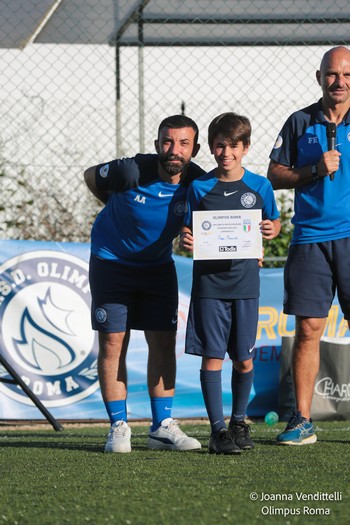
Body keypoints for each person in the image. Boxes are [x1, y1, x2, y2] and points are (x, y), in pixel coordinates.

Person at [84, 115, 204, 453]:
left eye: (183, 143)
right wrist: (113, 204)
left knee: (164, 343)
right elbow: (91, 177)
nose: (174, 150)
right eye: (167, 141)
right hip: (112, 263)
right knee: (113, 344)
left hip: (157, 267)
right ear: (156, 145)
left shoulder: (198, 183)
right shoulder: (130, 171)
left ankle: (161, 426)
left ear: (194, 149)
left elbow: (206, 222)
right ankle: (118, 426)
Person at [180, 112, 280, 454]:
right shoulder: (199, 187)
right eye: (220, 145)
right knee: (212, 358)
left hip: (246, 285)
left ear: (246, 147)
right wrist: (187, 238)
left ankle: (239, 422)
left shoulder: (260, 186)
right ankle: (217, 431)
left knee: (244, 359)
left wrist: (270, 231)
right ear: (210, 147)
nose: (227, 153)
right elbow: (187, 229)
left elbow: (274, 223)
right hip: (209, 287)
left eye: (234, 146)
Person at [267, 46, 350, 445]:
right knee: (308, 329)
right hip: (310, 240)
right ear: (319, 78)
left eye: (346, 74)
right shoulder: (300, 121)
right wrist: (315, 170)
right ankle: (301, 419)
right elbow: (274, 173)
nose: (340, 82)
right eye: (332, 74)